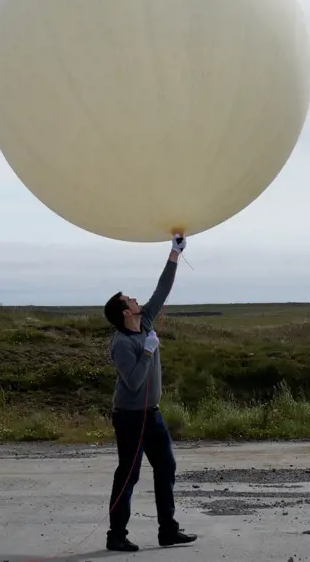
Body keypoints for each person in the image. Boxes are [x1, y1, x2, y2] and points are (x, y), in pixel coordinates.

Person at [102, 234, 197, 553]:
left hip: (151, 415)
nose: (135, 300)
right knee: (129, 474)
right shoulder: (122, 344)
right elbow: (133, 381)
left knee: (166, 466)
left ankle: (167, 531)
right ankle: (116, 535)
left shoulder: (145, 324)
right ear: (125, 313)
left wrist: (174, 252)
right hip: (129, 418)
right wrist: (147, 351)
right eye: (129, 300)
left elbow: (162, 288)